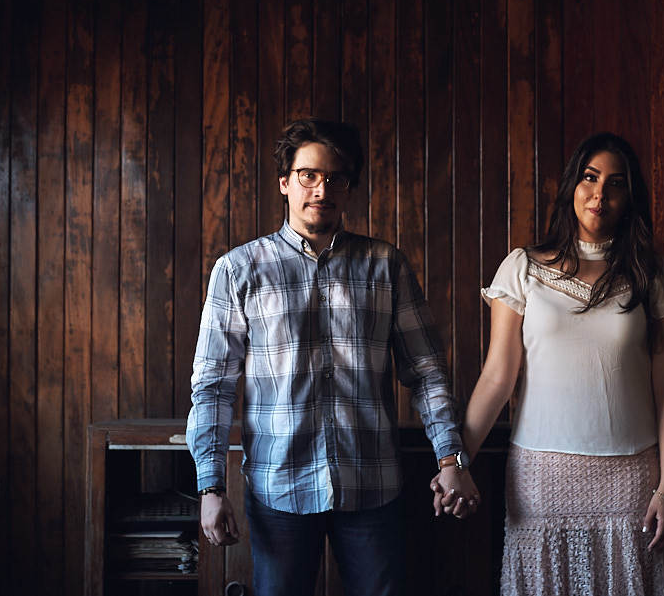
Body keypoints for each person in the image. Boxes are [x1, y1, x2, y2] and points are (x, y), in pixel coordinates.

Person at [187, 118, 480, 596]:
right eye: (308, 175)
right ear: (284, 183)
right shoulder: (239, 270)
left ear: (349, 189)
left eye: (335, 178)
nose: (321, 189)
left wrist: (450, 457)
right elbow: (213, 386)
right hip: (278, 486)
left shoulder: (386, 265)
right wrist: (210, 489)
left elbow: (427, 373)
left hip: (372, 485)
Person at [435, 131, 664, 595]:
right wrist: (456, 460)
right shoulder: (523, 268)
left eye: (615, 183)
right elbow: (497, 377)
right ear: (572, 186)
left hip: (632, 476)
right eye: (590, 178)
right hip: (539, 475)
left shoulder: (653, 274)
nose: (599, 193)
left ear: (629, 197)